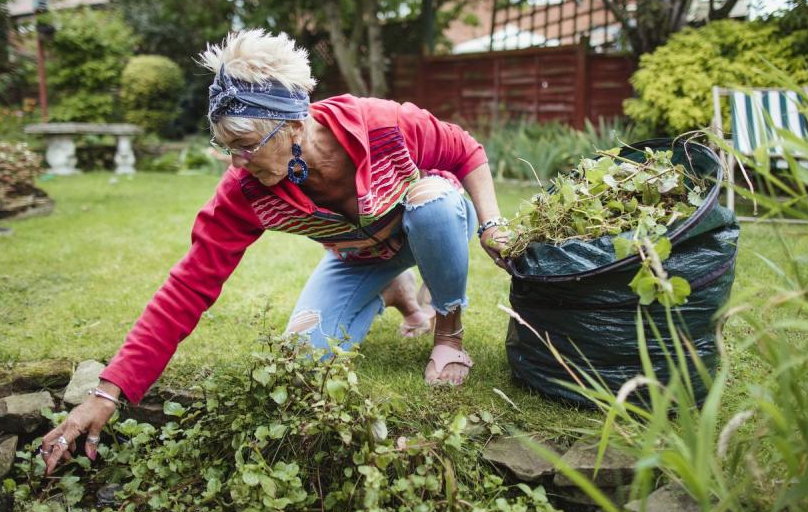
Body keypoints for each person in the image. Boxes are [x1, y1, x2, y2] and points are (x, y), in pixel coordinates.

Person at [40, 30, 510, 474]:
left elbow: (466, 151)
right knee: (301, 363)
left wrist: (491, 225)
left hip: (428, 223)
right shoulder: (244, 190)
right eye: (225, 147)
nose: (236, 162)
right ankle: (398, 293)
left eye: (245, 145)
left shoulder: (381, 122)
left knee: (435, 205)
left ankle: (447, 331)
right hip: (358, 255)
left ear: (293, 125)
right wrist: (109, 391)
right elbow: (188, 285)